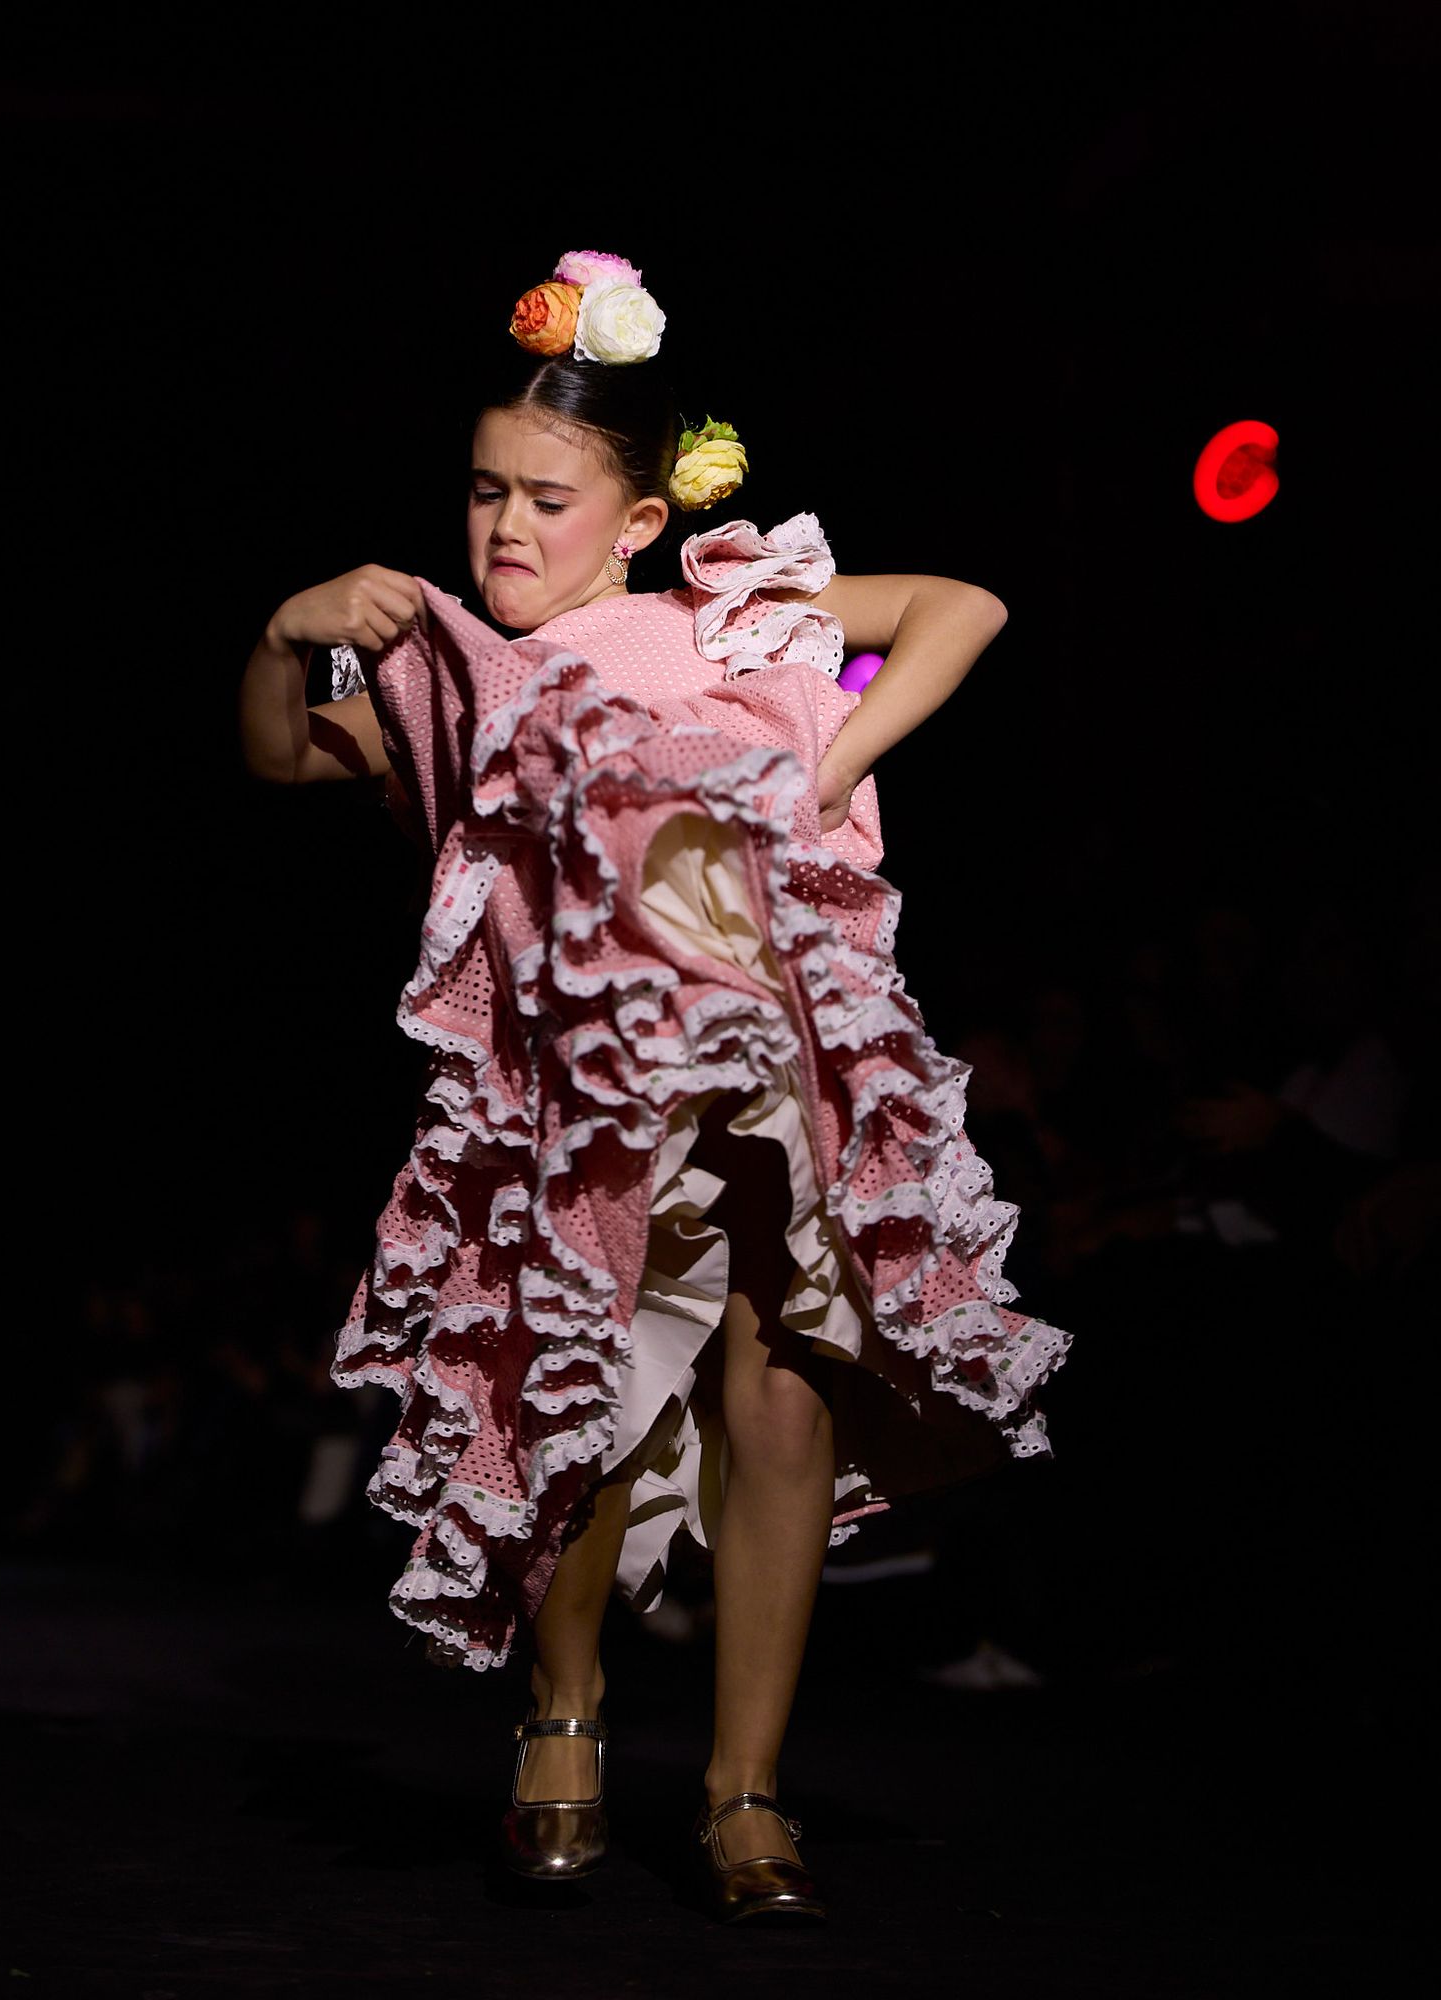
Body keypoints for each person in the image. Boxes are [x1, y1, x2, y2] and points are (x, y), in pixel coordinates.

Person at [237, 249, 1072, 1924]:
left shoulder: (728, 613)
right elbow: (278, 752)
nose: (503, 528)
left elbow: (961, 607)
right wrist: (289, 629)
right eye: (485, 492)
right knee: (582, 1396)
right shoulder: (453, 663)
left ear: (631, 517)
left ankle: (747, 1792)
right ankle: (565, 1724)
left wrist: (819, 763)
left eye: (546, 497)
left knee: (780, 1395)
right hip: (580, 1094)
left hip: (767, 1066)